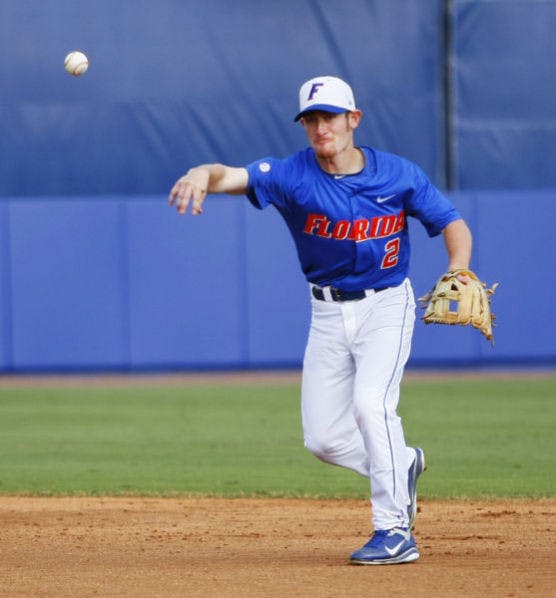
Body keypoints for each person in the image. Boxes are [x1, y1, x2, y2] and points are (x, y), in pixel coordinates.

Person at [168, 75, 472, 565]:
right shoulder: (291, 175)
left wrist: (458, 270)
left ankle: (395, 531)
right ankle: (403, 462)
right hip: (326, 311)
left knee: (372, 406)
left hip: (386, 303)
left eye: (329, 116)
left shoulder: (397, 174)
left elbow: (451, 223)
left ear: (354, 119)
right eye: (310, 118)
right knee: (324, 440)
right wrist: (201, 173)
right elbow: (229, 175)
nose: (319, 127)